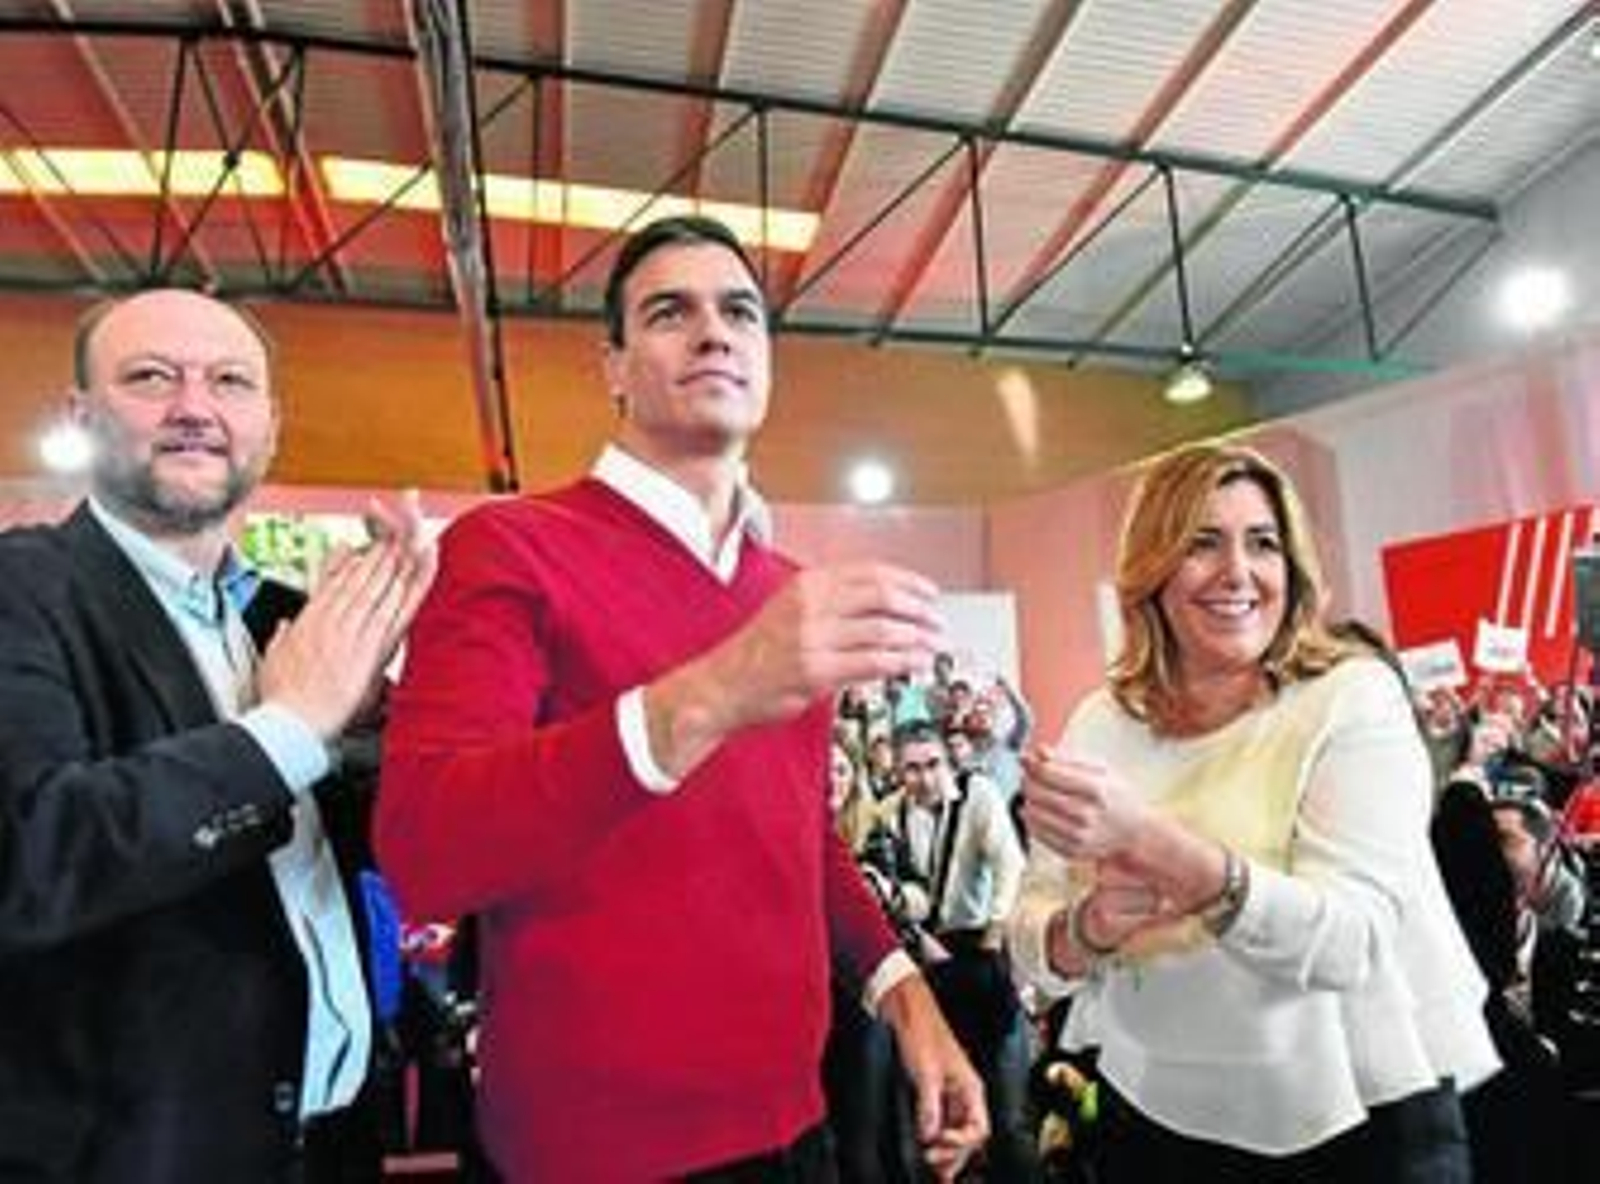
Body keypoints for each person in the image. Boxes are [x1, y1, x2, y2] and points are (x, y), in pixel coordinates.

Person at [376, 215, 986, 1181]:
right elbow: (426, 845)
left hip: (797, 1128)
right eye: (671, 312)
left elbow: (796, 830)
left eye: (740, 311)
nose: (714, 332)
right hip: (589, 1153)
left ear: (767, 362)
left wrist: (903, 989)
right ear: (612, 367)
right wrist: (715, 691)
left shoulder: (786, 588)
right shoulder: (509, 547)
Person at [0, 289, 436, 1181]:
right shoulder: (23, 593)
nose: (195, 407)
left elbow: (389, 850)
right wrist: (288, 728)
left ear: (269, 425)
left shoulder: (292, 620)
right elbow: (32, 856)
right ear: (82, 415)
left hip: (332, 1140)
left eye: (230, 381)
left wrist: (424, 701)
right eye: (152, 377)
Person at [1008, 442, 1498, 1183]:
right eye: (1203, 543)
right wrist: (1087, 928)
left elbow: (1351, 944)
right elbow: (1031, 937)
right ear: (1153, 567)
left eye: (1262, 543)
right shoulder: (1101, 722)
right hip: (1152, 1117)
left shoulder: (1350, 697)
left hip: (1355, 1124)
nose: (1238, 572)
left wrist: (1149, 839)